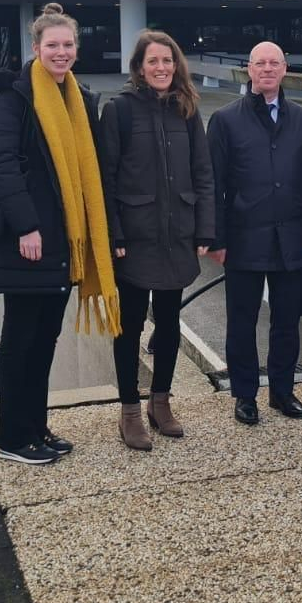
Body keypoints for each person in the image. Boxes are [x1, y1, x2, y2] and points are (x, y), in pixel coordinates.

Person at [0, 3, 121, 464]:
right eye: (52, 45)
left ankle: (36, 428)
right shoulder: (16, 99)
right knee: (21, 342)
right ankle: (11, 439)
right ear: (36, 48)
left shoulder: (74, 99)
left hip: (63, 245)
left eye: (67, 45)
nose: (61, 52)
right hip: (30, 242)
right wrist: (26, 225)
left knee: (44, 342)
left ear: (76, 49)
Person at [100, 30, 216, 450]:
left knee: (169, 323)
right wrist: (114, 233)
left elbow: (203, 171)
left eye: (168, 61)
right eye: (154, 61)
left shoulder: (187, 110)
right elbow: (106, 178)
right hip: (134, 237)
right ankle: (130, 410)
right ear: (139, 67)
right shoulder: (119, 111)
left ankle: (160, 401)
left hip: (177, 235)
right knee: (128, 328)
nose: (162, 68)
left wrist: (205, 227)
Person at [207, 41, 302, 426]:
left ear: (285, 69)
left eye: (274, 63)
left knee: (287, 321)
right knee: (242, 320)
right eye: (260, 63)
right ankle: (245, 394)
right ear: (248, 70)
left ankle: (282, 391)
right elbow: (214, 184)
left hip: (291, 238)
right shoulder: (224, 120)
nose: (267, 69)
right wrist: (217, 238)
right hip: (243, 239)